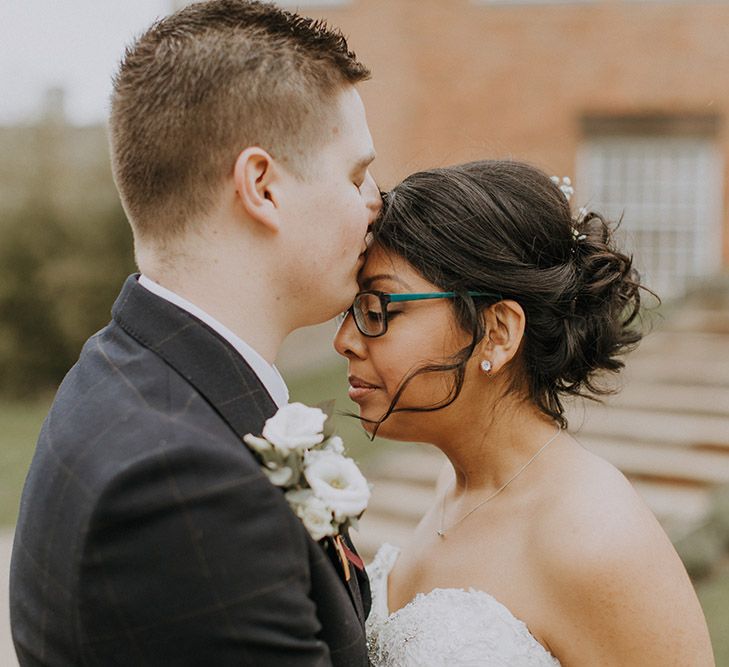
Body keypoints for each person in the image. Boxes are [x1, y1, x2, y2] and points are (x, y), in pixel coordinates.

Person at [10, 1, 380, 665]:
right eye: (355, 174)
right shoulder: (183, 487)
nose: (375, 200)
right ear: (261, 186)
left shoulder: (119, 371)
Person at [335, 160, 715, 666]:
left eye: (379, 309)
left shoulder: (593, 535)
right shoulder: (453, 487)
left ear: (498, 331)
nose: (345, 341)